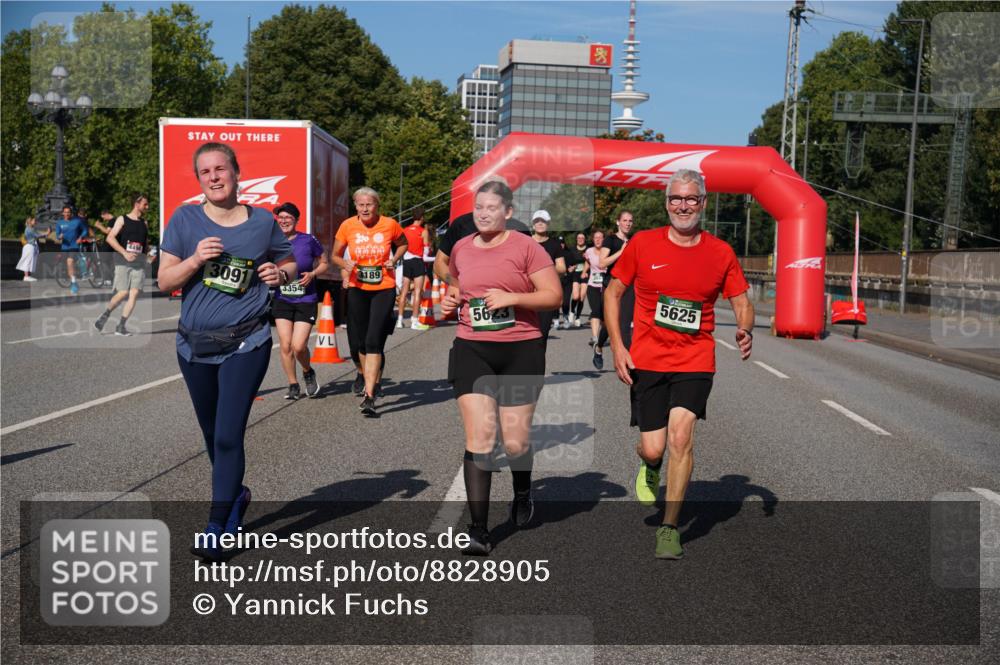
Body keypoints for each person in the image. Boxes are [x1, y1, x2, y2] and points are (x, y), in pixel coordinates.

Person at [603, 169, 754, 560]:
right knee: (654, 448)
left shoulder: (720, 252)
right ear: (666, 203)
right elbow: (614, 292)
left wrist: (744, 328)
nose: (682, 205)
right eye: (675, 199)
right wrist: (618, 345)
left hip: (695, 358)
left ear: (703, 203)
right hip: (648, 359)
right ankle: (649, 466)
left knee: (681, 437)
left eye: (690, 199)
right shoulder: (643, 244)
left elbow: (740, 299)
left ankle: (670, 527)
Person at [157, 142, 295, 560]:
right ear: (199, 180)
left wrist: (278, 272)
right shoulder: (185, 218)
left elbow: (289, 263)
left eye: (221, 169)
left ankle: (217, 526)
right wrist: (196, 259)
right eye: (205, 172)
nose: (214, 177)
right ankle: (236, 494)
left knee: (229, 434)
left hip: (246, 341)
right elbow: (164, 282)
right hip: (193, 345)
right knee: (211, 436)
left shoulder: (262, 222)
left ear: (236, 173)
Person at [440, 181, 562, 555]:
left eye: (491, 207)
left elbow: (553, 295)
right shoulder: (461, 247)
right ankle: (479, 530)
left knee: (514, 440)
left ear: (508, 212)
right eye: (478, 207)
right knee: (479, 438)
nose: (483, 213)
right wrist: (450, 301)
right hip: (472, 348)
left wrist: (513, 297)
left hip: (520, 350)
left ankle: (522, 490)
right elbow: (460, 289)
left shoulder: (526, 246)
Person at [331, 187, 407, 417]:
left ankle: (370, 394)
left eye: (369, 204)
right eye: (361, 204)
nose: (365, 208)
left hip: (383, 288)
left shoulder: (389, 224)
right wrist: (345, 265)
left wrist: (394, 259)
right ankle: (364, 374)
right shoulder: (347, 226)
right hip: (357, 288)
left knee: (374, 340)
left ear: (377, 205)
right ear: (355, 205)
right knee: (357, 345)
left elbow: (403, 244)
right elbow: (334, 255)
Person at [272, 202, 328, 400]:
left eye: (288, 218)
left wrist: (312, 274)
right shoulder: (272, 241)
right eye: (281, 218)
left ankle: (307, 371)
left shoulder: (308, 240)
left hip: (306, 298)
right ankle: (293, 384)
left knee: (298, 345)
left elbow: (324, 262)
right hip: (282, 298)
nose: (284, 221)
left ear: (296, 220)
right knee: (285, 345)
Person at [94, 194, 152, 336]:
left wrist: (148, 256)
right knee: (123, 292)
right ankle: (105, 315)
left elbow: (144, 243)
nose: (147, 207)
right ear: (136, 204)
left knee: (134, 294)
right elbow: (110, 238)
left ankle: (121, 326)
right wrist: (125, 253)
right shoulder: (122, 219)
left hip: (139, 263)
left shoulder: (144, 223)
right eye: (145, 204)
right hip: (122, 261)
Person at [592, 211, 635, 370]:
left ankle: (628, 364)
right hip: (611, 284)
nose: (628, 223)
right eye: (625, 220)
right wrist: (621, 251)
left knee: (625, 325)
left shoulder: (634, 240)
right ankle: (599, 346)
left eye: (630, 221)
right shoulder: (610, 240)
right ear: (618, 222)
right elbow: (602, 263)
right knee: (611, 323)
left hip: (629, 286)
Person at [528, 210, 567, 347]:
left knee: (542, 335)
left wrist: (543, 269)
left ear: (548, 224)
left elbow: (562, 268)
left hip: (546, 294)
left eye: (543, 221)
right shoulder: (525, 242)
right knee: (524, 335)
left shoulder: (554, 245)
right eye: (537, 221)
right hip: (525, 294)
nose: (540, 223)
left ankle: (538, 366)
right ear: (533, 224)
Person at [396, 206, 431, 330]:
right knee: (417, 291)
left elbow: (400, 246)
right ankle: (414, 321)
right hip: (417, 262)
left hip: (406, 261)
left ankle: (399, 321)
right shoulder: (423, 231)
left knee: (404, 291)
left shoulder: (404, 230)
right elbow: (426, 254)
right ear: (422, 217)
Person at [54, 205, 90, 294]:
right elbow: (57, 235)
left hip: (74, 246)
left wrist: (80, 237)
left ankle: (74, 283)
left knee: (70, 262)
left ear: (71, 213)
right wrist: (59, 237)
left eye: (68, 212)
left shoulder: (77, 221)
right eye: (65, 212)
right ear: (62, 213)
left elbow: (85, 230)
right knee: (68, 265)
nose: (66, 214)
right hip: (65, 247)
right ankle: (74, 281)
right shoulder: (59, 223)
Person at [583, 230, 606, 349]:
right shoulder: (589, 251)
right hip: (593, 285)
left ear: (604, 239)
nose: (597, 240)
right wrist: (584, 272)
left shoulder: (608, 251)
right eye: (595, 238)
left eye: (600, 238)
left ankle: (604, 334)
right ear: (593, 239)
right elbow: (588, 262)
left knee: (604, 314)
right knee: (595, 310)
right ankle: (595, 337)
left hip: (606, 286)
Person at [563, 232, 589, 327]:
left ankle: (578, 317)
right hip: (575, 274)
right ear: (576, 239)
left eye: (582, 237)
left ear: (585, 239)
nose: (580, 239)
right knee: (575, 296)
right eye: (579, 238)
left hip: (585, 274)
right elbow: (568, 261)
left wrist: (588, 260)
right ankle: (572, 312)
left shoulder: (588, 249)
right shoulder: (572, 250)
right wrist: (569, 267)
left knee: (582, 297)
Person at [17, 216, 48, 281]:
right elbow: (37, 235)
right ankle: (26, 276)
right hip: (29, 246)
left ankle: (27, 276)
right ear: (30, 222)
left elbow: (37, 235)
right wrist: (46, 233)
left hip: (29, 246)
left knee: (29, 260)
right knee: (28, 260)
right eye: (34, 221)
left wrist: (45, 234)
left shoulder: (29, 228)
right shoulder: (30, 229)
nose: (35, 222)